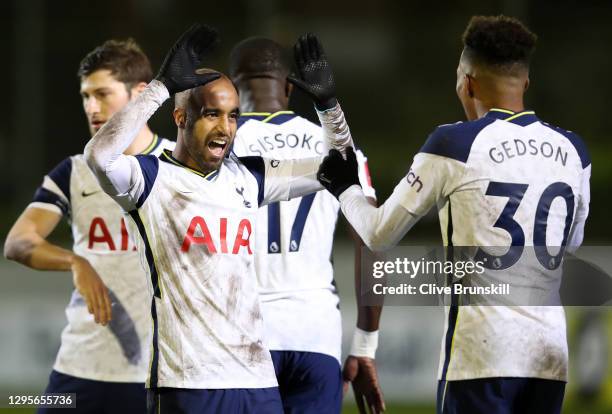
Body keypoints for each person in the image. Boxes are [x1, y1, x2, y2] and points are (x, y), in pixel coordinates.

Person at [315, 15, 590, 414]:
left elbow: (377, 235)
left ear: (467, 80)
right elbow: (572, 244)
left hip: (482, 356)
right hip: (548, 357)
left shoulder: (454, 143)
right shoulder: (574, 150)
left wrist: (345, 188)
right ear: (525, 83)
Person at [83, 25, 355, 413]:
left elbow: (341, 167)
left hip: (256, 382)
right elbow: (99, 156)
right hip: (188, 383)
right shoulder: (149, 178)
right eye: (211, 114)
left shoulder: (247, 178)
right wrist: (161, 87)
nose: (225, 128)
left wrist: (329, 107)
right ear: (180, 116)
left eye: (232, 116)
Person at [4, 39, 174, 413]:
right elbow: (18, 242)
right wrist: (75, 263)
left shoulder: (179, 167)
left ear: (140, 94)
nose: (92, 108)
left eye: (102, 94)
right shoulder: (75, 170)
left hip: (159, 373)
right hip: (79, 369)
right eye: (85, 96)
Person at [229, 37, 383, 413]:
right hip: (315, 334)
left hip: (241, 331)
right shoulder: (335, 144)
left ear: (232, 89)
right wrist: (364, 345)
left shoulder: (218, 144)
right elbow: (374, 238)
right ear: (286, 86)